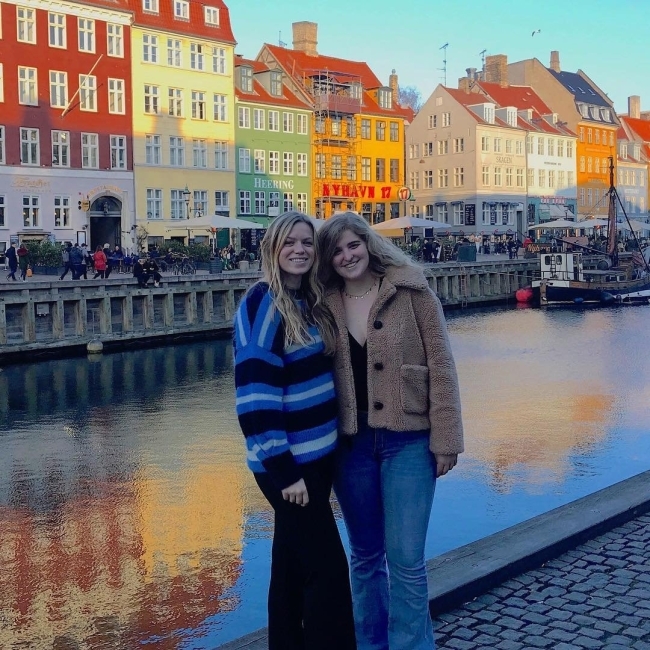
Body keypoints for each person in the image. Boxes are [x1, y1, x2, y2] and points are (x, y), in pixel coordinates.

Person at [318, 211, 464, 650]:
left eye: (353, 245)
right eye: (337, 250)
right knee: (364, 558)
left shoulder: (412, 290)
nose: (347, 256)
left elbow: (441, 366)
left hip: (409, 442)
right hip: (351, 446)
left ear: (368, 244)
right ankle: (371, 645)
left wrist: (447, 439)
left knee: (405, 561)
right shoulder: (323, 304)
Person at [233, 211, 356, 650]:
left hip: (319, 460)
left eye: (307, 242)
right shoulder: (262, 303)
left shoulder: (308, 300)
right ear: (273, 248)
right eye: (290, 242)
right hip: (289, 468)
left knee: (289, 565)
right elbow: (254, 402)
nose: (300, 250)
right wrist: (285, 472)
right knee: (327, 570)